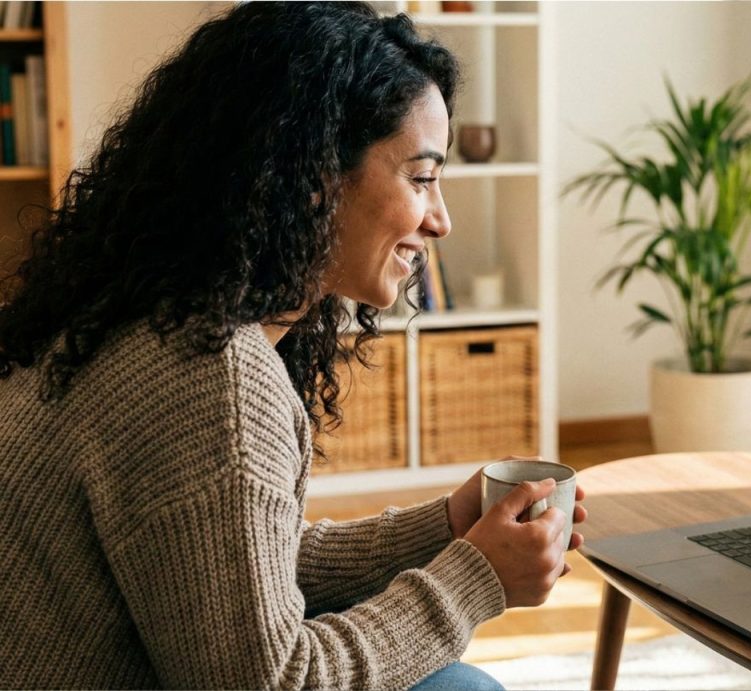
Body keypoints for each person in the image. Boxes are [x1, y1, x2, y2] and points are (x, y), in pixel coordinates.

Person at [0, 4, 585, 689]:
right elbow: (270, 680)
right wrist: (475, 579)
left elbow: (233, 575)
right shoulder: (210, 376)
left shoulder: (140, 312)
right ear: (311, 176)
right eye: (421, 178)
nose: (441, 220)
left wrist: (450, 525)